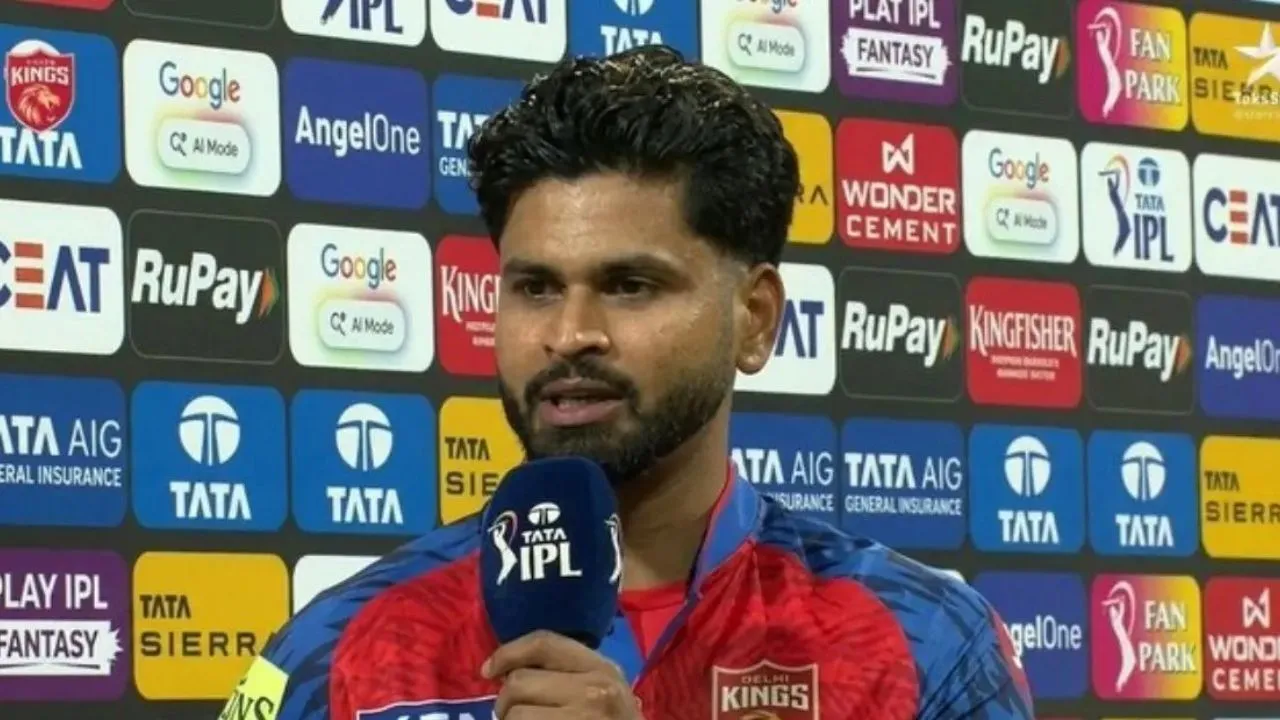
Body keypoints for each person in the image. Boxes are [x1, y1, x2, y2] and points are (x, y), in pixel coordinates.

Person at [218, 45, 1035, 720]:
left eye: (630, 285)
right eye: (536, 287)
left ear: (755, 318)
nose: (570, 334)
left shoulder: (925, 643)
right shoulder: (344, 647)